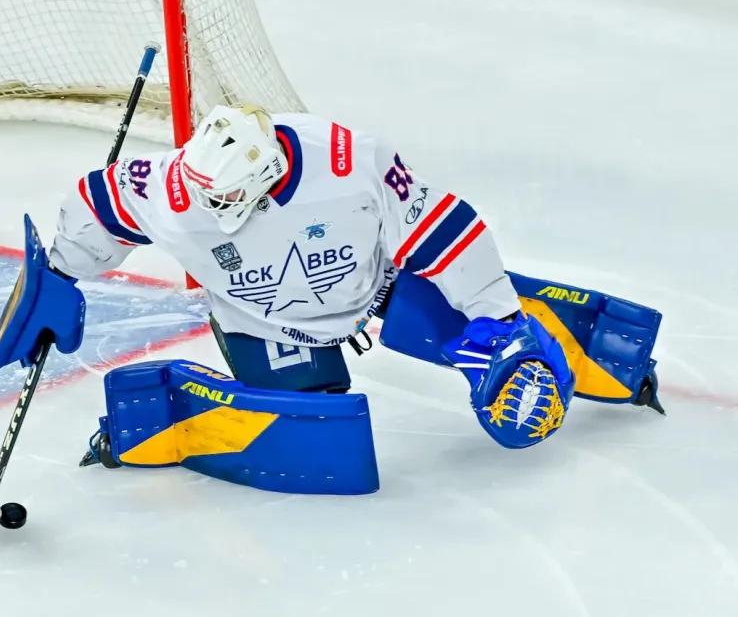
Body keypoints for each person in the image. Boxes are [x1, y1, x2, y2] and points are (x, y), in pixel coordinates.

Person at [47, 104, 574, 448]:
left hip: (372, 288)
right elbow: (100, 201)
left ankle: (517, 330)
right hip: (264, 321)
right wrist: (57, 274)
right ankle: (176, 411)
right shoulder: (172, 185)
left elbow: (446, 230)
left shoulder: (350, 162)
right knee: (316, 438)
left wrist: (500, 317)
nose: (208, 204)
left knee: (440, 326)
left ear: (264, 176)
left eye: (224, 196)